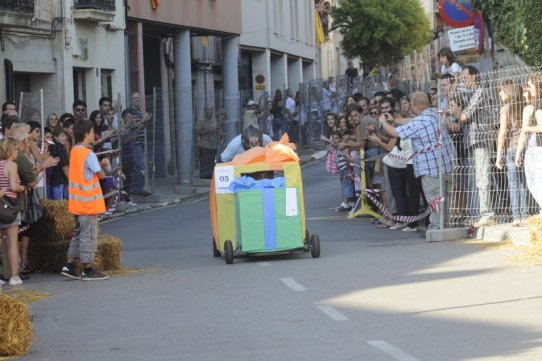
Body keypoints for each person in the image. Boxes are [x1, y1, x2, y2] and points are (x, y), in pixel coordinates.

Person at [378, 92, 455, 230]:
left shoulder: (420, 122)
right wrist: (394, 120)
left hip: (431, 170)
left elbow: (395, 133)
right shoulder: (433, 113)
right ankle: (447, 225)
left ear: (417, 106)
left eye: (412, 105)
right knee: (446, 199)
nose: (411, 108)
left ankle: (437, 229)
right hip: (446, 166)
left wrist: (383, 123)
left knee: (435, 200)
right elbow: (411, 122)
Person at [61, 119, 109, 281]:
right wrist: (104, 165)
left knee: (78, 234)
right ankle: (87, 268)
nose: (93, 135)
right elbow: (100, 175)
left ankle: (69, 265)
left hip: (76, 203)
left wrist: (98, 165)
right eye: (92, 132)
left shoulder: (75, 150)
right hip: (88, 204)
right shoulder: (88, 154)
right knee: (88, 235)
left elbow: (85, 171)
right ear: (87, 133)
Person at [495, 79, 527, 226]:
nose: (500, 92)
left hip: (511, 149)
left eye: (502, 90)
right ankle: (525, 214)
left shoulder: (505, 109)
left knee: (513, 183)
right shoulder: (524, 106)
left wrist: (498, 155)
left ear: (507, 91)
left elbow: (502, 133)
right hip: (524, 147)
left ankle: (516, 216)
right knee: (523, 183)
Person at [0, 137, 27, 286]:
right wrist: (23, 188)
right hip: (10, 207)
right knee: (11, 242)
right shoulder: (11, 165)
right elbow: (14, 187)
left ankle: (3, 274)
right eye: (16, 149)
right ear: (11, 149)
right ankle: (14, 276)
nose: (18, 151)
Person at [516, 73, 542, 213]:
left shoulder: (536, 108)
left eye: (530, 86)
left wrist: (527, 128)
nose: (528, 90)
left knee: (536, 183)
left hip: (538, 150)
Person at [126, 92, 152, 195]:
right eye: (134, 98)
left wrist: (146, 121)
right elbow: (132, 126)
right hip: (134, 142)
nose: (136, 100)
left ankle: (136, 188)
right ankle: (138, 189)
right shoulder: (129, 112)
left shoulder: (139, 112)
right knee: (139, 166)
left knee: (138, 166)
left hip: (140, 141)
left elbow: (140, 126)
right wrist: (143, 120)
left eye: (138, 98)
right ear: (130, 99)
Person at [195, 105, 219, 179]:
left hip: (214, 145)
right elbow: (196, 132)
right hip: (204, 145)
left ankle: (211, 177)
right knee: (204, 163)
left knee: (212, 162)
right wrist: (207, 132)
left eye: (210, 110)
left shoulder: (215, 120)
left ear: (213, 111)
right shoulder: (201, 120)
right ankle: (203, 178)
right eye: (206, 110)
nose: (208, 112)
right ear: (204, 111)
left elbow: (218, 129)